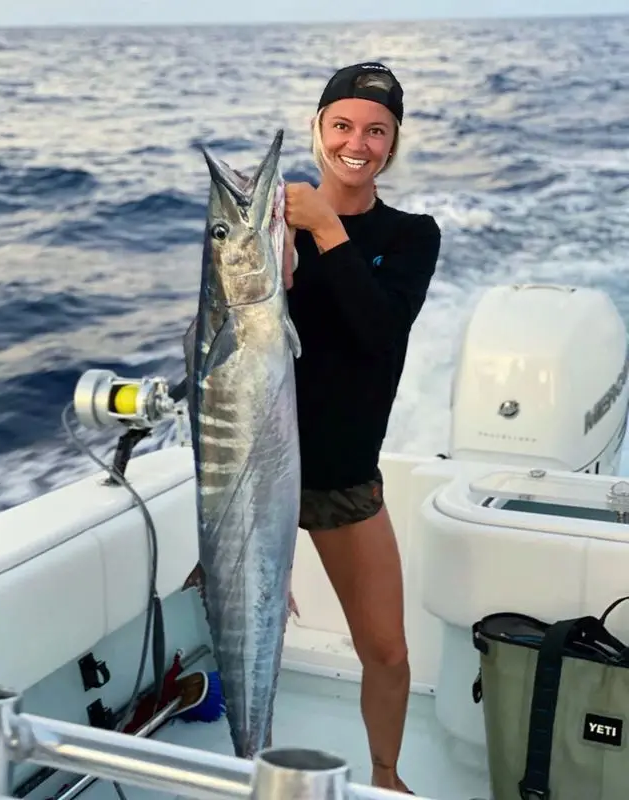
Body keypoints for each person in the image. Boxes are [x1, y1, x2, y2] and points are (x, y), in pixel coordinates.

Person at [283, 62, 441, 794]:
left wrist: (324, 228)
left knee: (387, 651)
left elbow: (379, 334)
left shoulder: (411, 237)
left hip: (340, 474)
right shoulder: (272, 223)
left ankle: (385, 776)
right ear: (318, 128)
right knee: (241, 631)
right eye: (342, 124)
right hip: (253, 470)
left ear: (393, 143)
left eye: (376, 130)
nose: (358, 142)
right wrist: (275, 254)